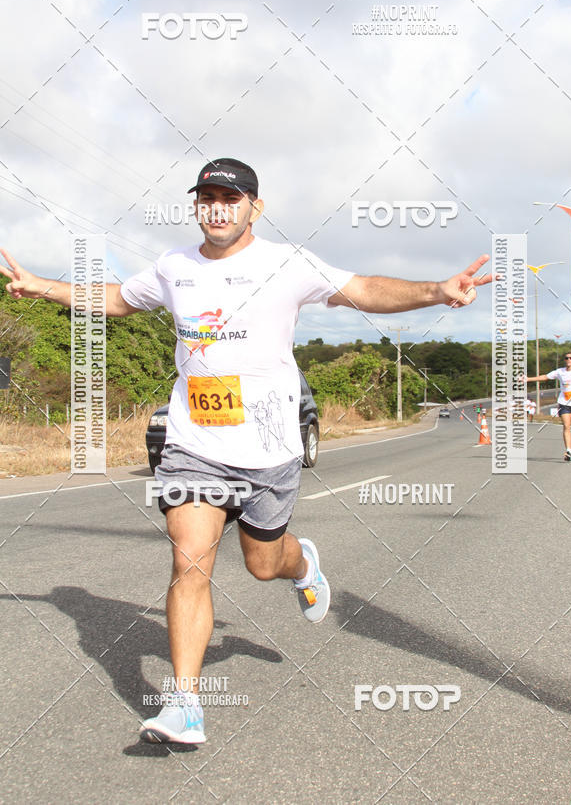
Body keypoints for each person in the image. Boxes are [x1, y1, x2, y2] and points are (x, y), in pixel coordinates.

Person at [0, 156, 496, 745]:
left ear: (254, 207)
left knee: (263, 564)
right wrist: (41, 287)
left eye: (229, 198)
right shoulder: (173, 266)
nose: (216, 206)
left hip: (268, 445)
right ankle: (184, 705)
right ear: (195, 205)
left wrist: (436, 290)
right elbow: (115, 300)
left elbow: (361, 288)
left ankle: (301, 562)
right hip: (194, 442)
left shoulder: (286, 263)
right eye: (206, 196)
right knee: (189, 558)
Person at [527, 352, 571, 461]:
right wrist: (528, 379)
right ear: (565, 360)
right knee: (566, 426)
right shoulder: (560, 372)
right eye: (567, 358)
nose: (569, 360)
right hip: (564, 403)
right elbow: (545, 377)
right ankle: (569, 451)